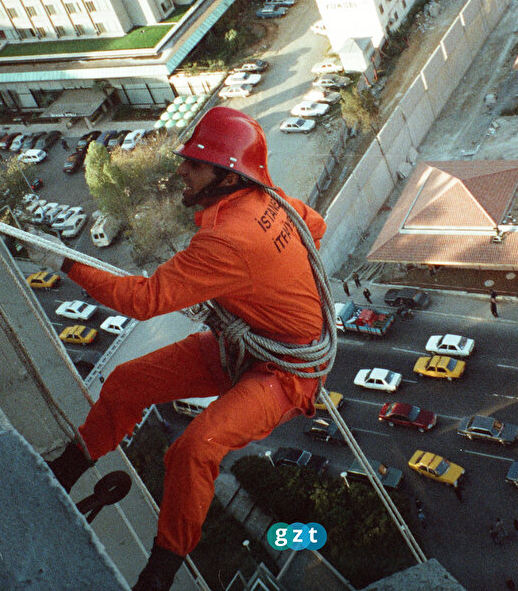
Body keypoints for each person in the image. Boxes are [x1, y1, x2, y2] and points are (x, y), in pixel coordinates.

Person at [37, 108, 330, 591]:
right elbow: (313, 227)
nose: (182, 170)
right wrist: (269, 294)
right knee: (127, 382)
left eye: (194, 164)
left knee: (193, 449)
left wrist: (65, 261)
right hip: (245, 347)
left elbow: (143, 300)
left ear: (226, 174)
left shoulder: (230, 240)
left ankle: (160, 571)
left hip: (284, 373)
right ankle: (69, 468)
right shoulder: (273, 202)